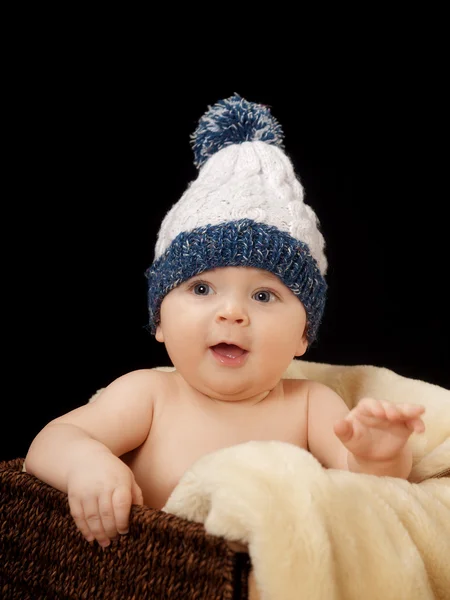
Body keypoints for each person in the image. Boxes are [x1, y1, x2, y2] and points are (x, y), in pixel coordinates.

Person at [25, 94, 425, 549]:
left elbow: (367, 490)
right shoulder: (150, 396)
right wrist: (88, 464)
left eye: (262, 295)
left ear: (302, 335)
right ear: (159, 321)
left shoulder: (311, 405)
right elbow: (52, 440)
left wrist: (380, 455)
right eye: (201, 289)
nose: (231, 312)